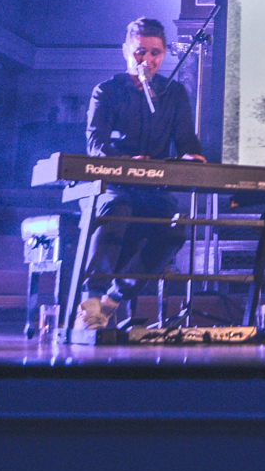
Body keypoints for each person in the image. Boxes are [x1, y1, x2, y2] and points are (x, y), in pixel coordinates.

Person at [75, 18, 205, 330]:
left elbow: (187, 142)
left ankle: (113, 299)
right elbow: (96, 145)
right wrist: (126, 160)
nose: (148, 60)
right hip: (111, 186)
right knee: (116, 209)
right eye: (140, 52)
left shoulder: (174, 94)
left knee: (175, 227)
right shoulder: (106, 91)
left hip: (151, 190)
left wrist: (191, 157)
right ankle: (90, 304)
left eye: (156, 53)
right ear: (126, 51)